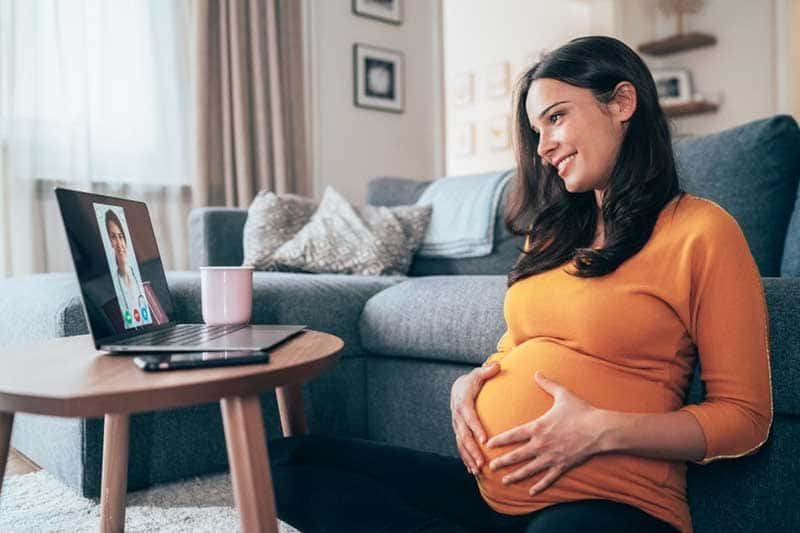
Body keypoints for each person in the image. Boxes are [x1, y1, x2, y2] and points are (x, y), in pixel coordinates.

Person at [267, 36, 772, 533]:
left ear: (621, 102)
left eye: (556, 117)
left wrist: (599, 431)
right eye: (535, 129)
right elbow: (520, 342)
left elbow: (745, 418)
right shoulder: (552, 232)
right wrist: (471, 383)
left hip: (616, 501)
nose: (543, 145)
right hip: (495, 493)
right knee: (279, 464)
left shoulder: (702, 231)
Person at [105, 209, 146, 326]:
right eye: (113, 237)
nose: (119, 243)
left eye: (121, 236)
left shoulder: (137, 276)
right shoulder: (113, 284)